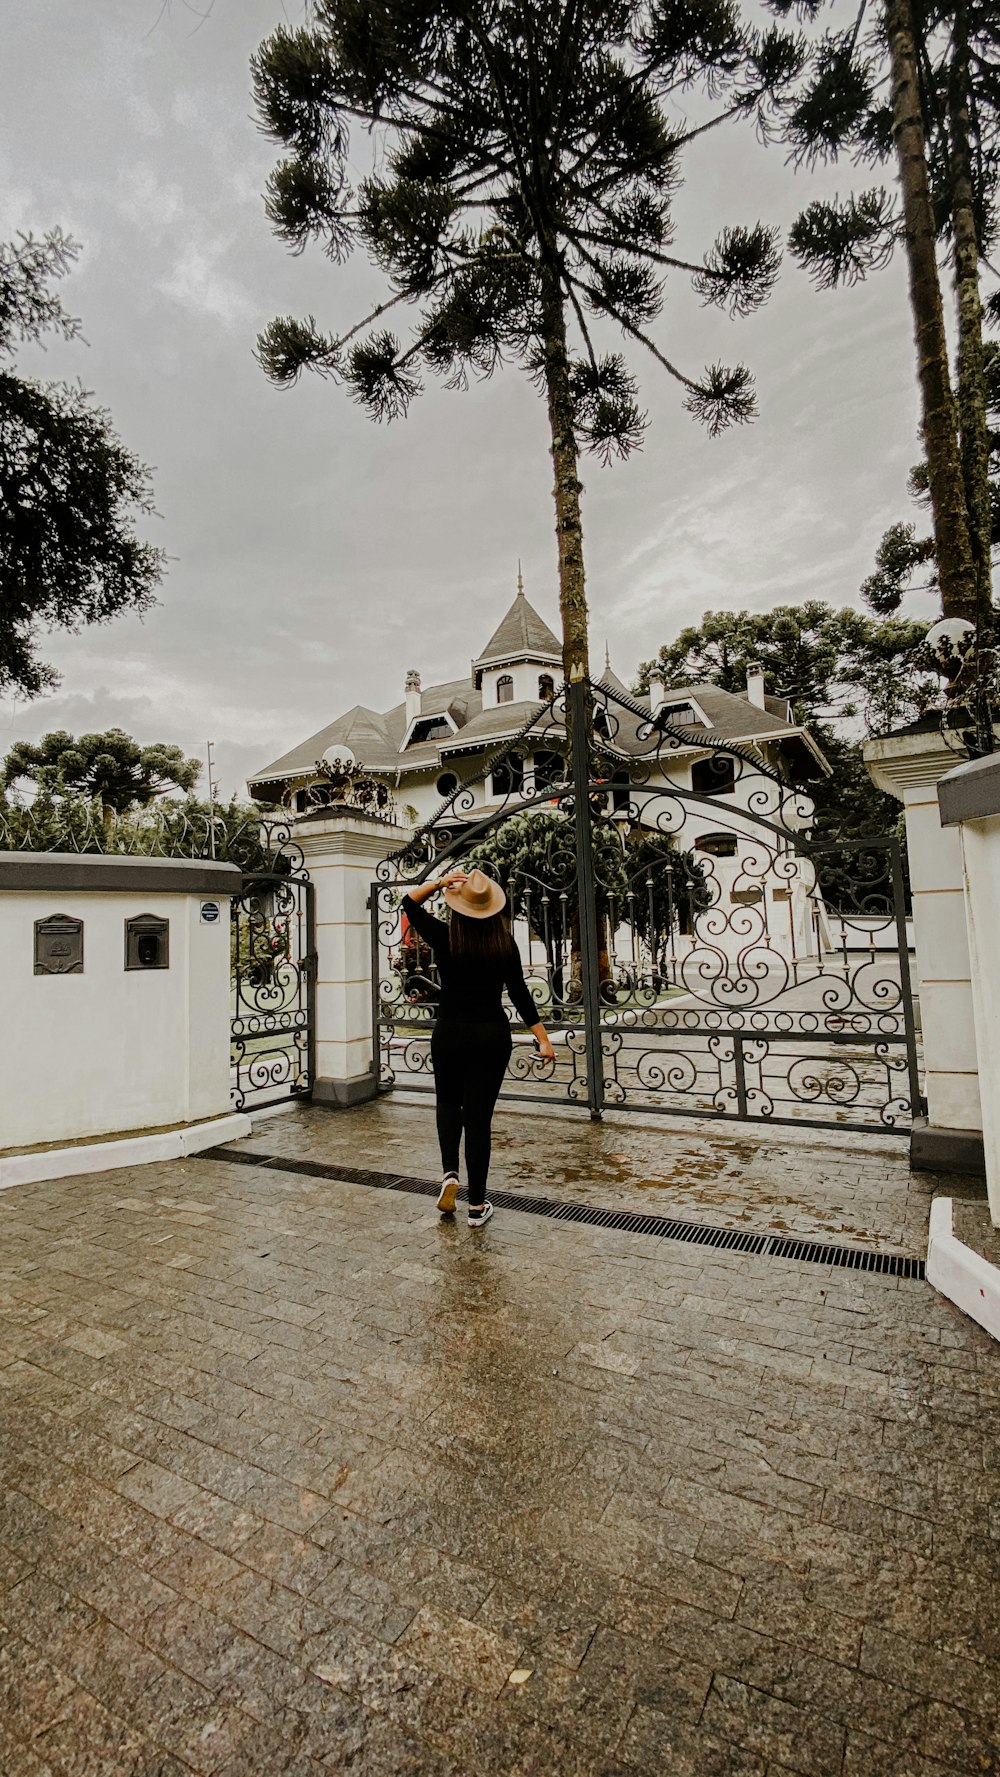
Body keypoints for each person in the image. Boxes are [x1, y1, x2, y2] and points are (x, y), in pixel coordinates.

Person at [401, 868, 555, 1228]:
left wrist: (439, 883)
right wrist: (543, 1038)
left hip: (450, 1033)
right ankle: (477, 1206)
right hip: (490, 1035)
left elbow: (408, 903)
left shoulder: (445, 935)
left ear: (458, 906)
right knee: (478, 1119)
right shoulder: (504, 943)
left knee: (447, 1103)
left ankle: (450, 1174)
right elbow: (519, 993)